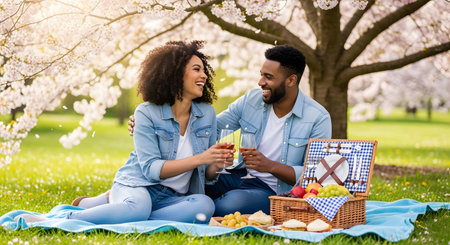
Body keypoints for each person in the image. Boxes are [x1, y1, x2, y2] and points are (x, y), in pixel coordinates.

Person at [75, 44, 331, 217]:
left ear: (291, 80)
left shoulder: (317, 118)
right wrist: (152, 123)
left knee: (225, 205)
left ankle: (127, 205)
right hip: (239, 175)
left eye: (268, 77)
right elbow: (208, 126)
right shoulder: (253, 100)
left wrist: (270, 166)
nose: (260, 82)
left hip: (273, 188)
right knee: (191, 186)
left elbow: (315, 176)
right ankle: (126, 201)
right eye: (261, 74)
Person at [16, 40, 234, 224]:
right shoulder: (146, 113)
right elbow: (150, 170)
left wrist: (216, 163)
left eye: (204, 70)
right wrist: (201, 158)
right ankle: (64, 218)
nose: (204, 75)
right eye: (197, 69)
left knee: (204, 206)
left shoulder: (206, 114)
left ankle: (120, 210)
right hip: (138, 184)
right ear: (176, 74)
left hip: (173, 196)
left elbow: (206, 174)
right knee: (138, 207)